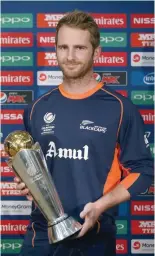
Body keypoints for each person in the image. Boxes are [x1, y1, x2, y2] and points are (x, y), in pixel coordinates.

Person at [14, 10, 153, 256]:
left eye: (79, 48)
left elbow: (142, 171)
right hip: (41, 237)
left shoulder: (121, 109)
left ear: (96, 52)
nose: (69, 56)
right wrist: (26, 184)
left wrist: (101, 206)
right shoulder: (37, 108)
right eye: (63, 47)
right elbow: (33, 169)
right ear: (55, 50)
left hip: (94, 237)